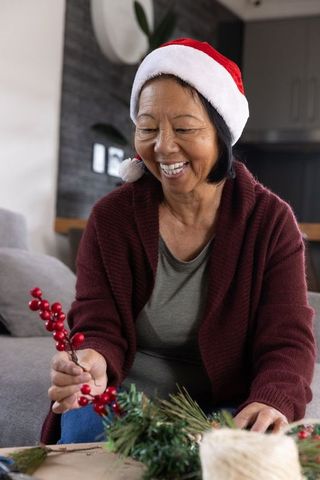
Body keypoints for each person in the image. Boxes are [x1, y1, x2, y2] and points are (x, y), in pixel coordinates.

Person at [42, 38, 315, 444]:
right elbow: (98, 320)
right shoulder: (111, 218)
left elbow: (287, 339)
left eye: (184, 128)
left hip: (225, 403)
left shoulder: (271, 223)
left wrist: (273, 399)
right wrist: (92, 360)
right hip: (123, 397)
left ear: (221, 134)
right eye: (148, 128)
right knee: (82, 442)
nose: (163, 146)